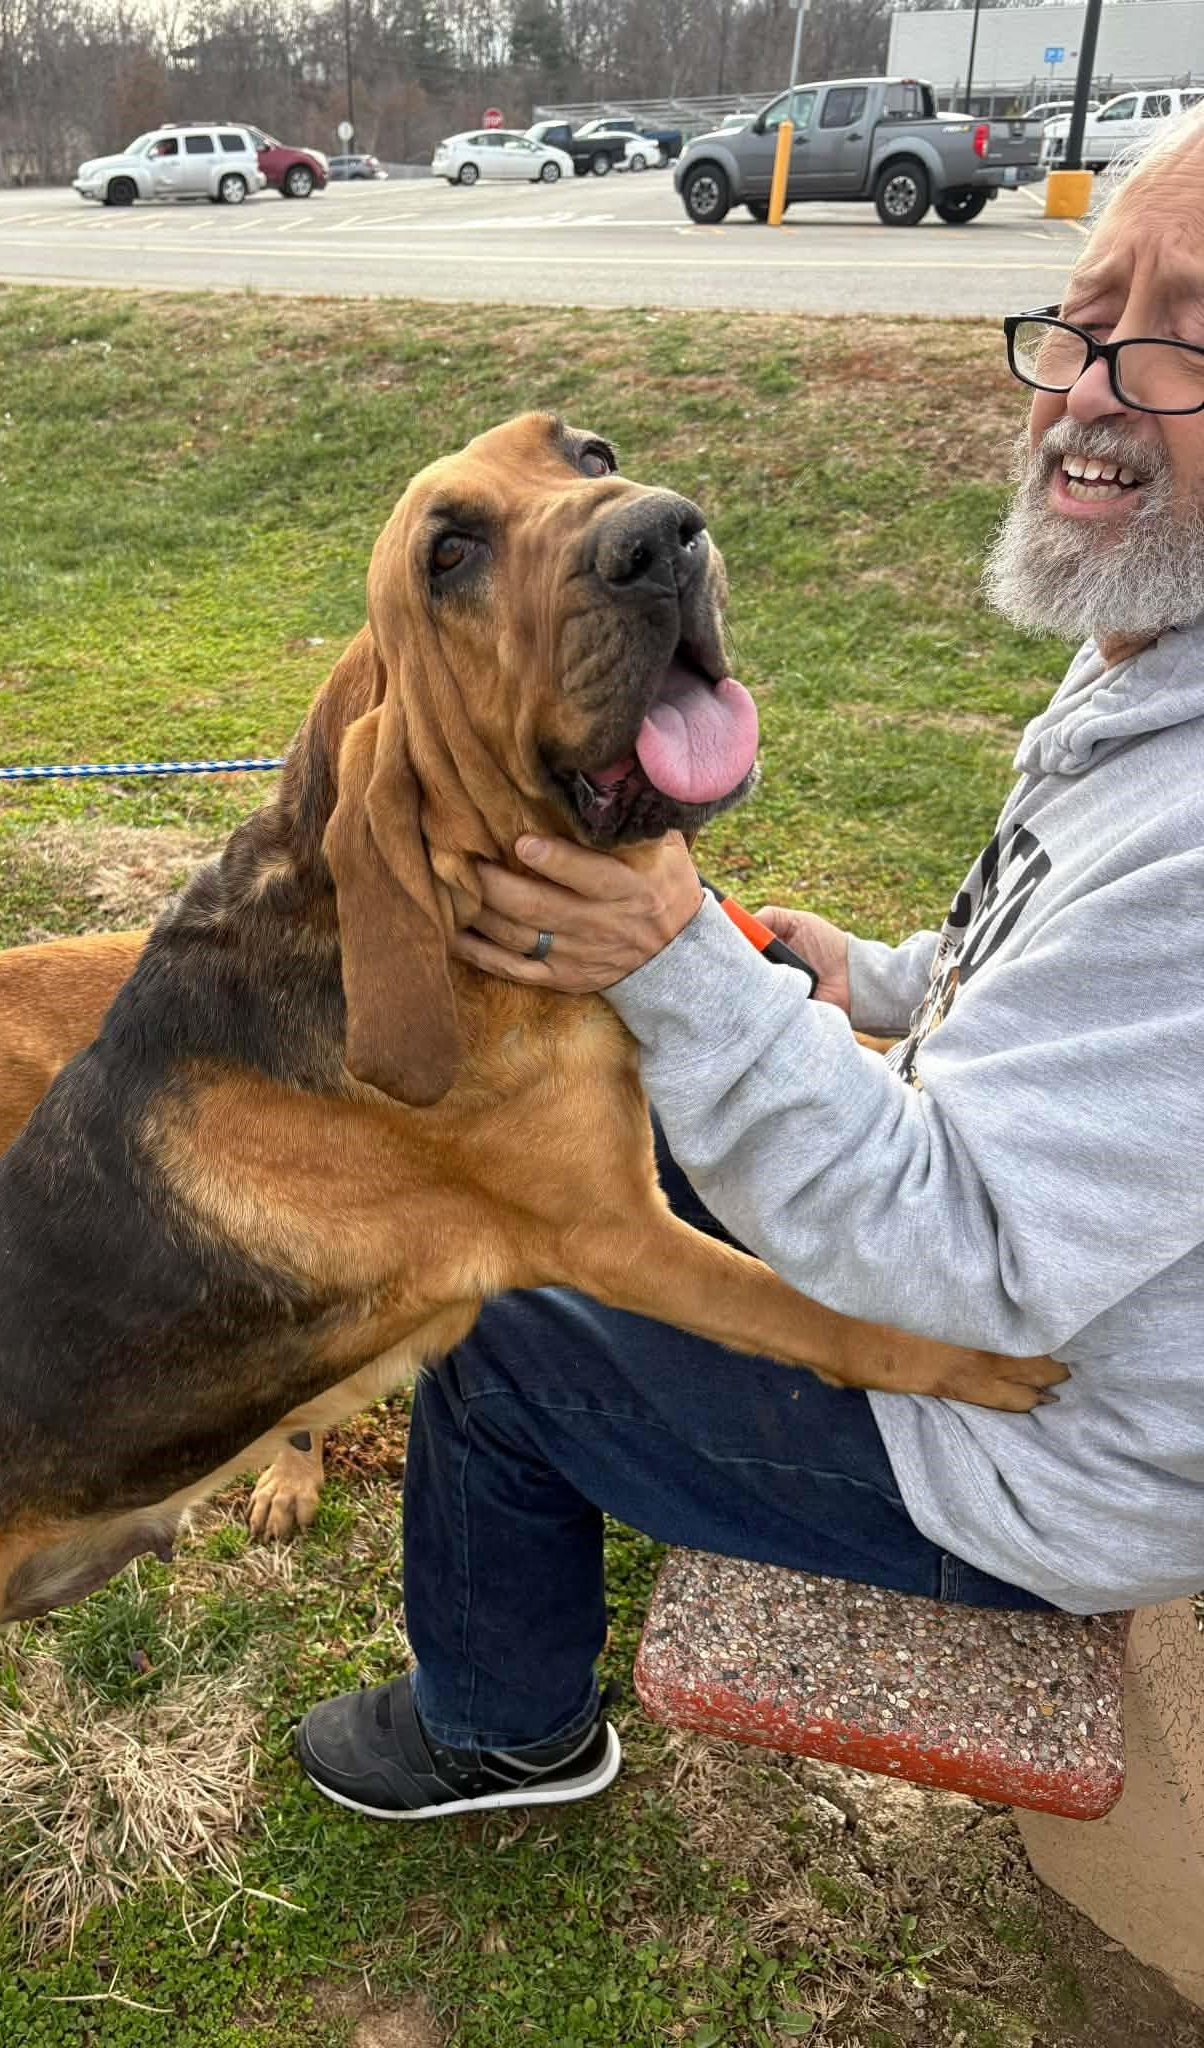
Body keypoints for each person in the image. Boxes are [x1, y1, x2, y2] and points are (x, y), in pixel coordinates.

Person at [295, 111, 1204, 1820]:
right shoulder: (1160, 665)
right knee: (635, 1196)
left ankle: (501, 1729)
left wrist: (679, 954)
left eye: (1189, 344)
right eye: (1087, 320)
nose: (1092, 387)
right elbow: (1069, 961)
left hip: (1039, 1459)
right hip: (1043, 1327)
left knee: (502, 1329)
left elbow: (973, 1272)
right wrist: (874, 977)